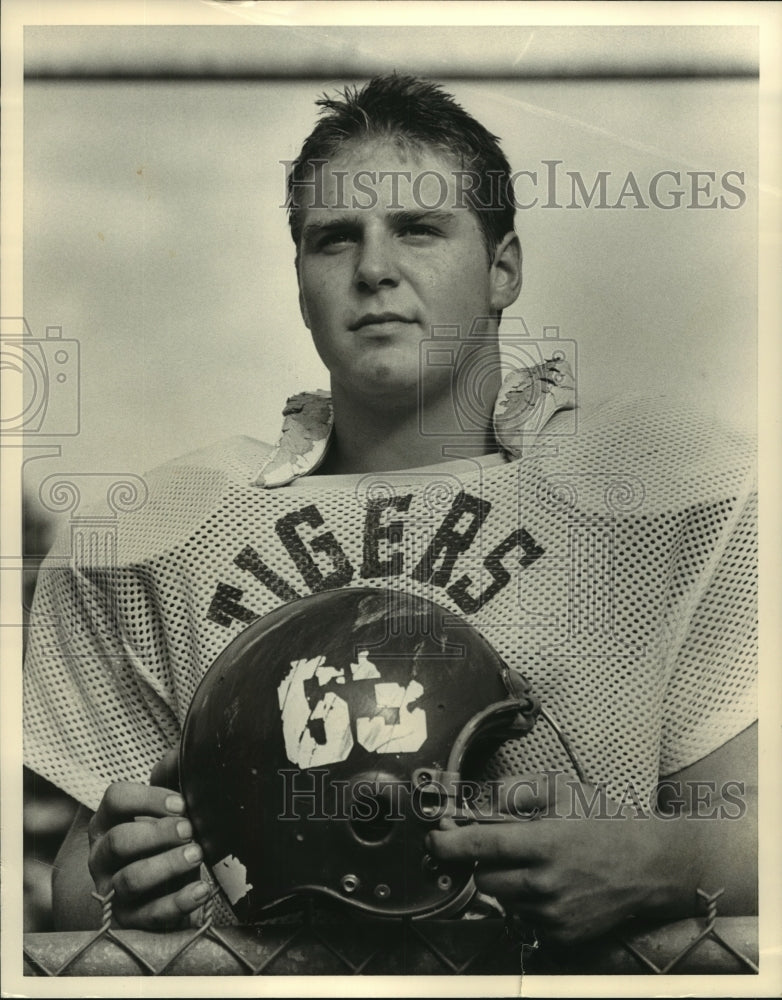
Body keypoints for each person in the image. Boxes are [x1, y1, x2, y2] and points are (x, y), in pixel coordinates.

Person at [23, 74, 757, 946]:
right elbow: (78, 905)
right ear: (300, 284)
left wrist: (661, 862)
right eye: (336, 239)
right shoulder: (165, 530)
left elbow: (752, 826)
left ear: (503, 269)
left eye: (418, 228)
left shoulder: (659, 484)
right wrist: (126, 877)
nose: (374, 269)